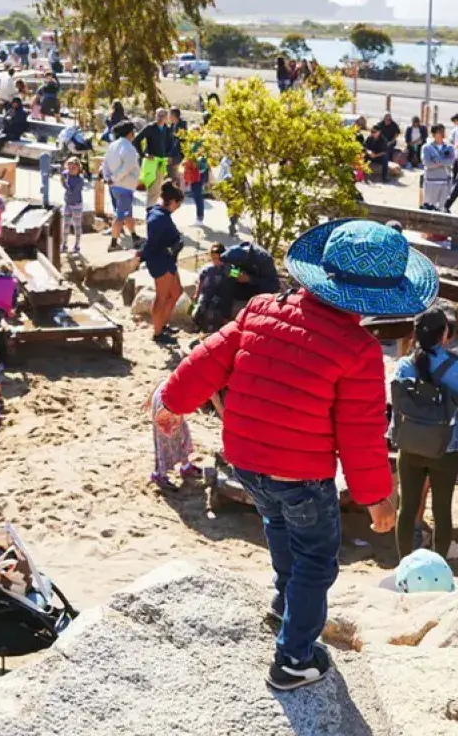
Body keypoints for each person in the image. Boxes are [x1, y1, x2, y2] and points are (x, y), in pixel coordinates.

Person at [159, 219, 424, 691]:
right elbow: (359, 433)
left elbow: (207, 358)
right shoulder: (358, 350)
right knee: (317, 561)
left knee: (279, 530)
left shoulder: (261, 308)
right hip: (301, 473)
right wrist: (377, 496)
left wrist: (171, 401)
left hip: (246, 460)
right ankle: (294, 659)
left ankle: (284, 604)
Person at [390, 307, 458, 562]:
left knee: (407, 509)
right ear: (444, 334)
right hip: (445, 447)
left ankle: (404, 565)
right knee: (442, 510)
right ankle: (438, 566)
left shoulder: (403, 365)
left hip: (410, 445)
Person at [141, 182, 184, 343]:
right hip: (161, 262)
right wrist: (141, 257)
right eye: (178, 204)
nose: (178, 207)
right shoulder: (159, 218)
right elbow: (152, 243)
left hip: (168, 260)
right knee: (162, 297)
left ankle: (163, 323)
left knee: (176, 292)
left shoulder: (161, 214)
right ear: (172, 202)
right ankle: (157, 332)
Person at [101, 120, 142, 251]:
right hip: (124, 186)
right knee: (119, 217)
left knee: (127, 214)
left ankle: (135, 237)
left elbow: (105, 164)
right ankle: (113, 244)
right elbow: (127, 167)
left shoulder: (112, 146)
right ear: (130, 133)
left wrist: (108, 178)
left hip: (115, 187)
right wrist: (114, 178)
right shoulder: (129, 148)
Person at [419, 125, 454, 210]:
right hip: (431, 182)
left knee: (441, 209)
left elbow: (451, 161)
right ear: (434, 134)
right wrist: (443, 162)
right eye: (440, 132)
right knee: (429, 208)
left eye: (443, 131)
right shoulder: (426, 148)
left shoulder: (449, 147)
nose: (442, 133)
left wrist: (436, 161)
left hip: (445, 182)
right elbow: (427, 163)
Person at [60, 156, 88, 253]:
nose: (71, 170)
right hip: (68, 203)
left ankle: (77, 245)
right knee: (65, 225)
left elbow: (71, 190)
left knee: (77, 226)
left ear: (78, 168)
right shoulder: (66, 174)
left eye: (73, 168)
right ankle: (64, 244)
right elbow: (62, 175)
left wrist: (64, 182)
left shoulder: (79, 180)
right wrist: (62, 179)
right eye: (69, 167)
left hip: (77, 205)